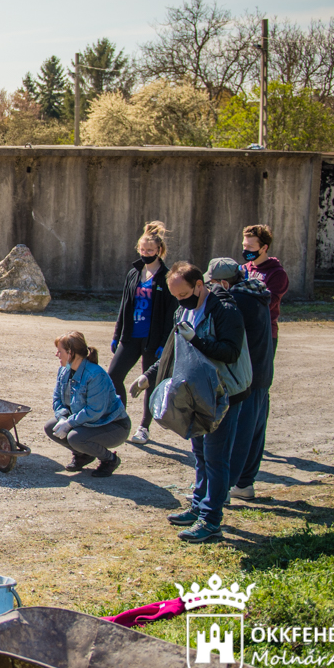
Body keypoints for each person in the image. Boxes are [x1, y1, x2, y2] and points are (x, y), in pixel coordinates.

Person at [130, 261, 247, 543]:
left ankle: (211, 520)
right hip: (198, 393)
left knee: (216, 458)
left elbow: (230, 352)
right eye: (176, 297)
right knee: (201, 455)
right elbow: (173, 349)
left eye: (184, 295)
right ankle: (197, 508)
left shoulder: (225, 310)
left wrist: (197, 340)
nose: (181, 301)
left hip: (224, 394)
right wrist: (148, 377)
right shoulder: (184, 310)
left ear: (199, 285)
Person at [207, 257, 273, 503]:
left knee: (239, 434)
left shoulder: (236, 301)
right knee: (254, 431)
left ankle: (224, 489)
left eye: (212, 283)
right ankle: (245, 483)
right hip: (262, 372)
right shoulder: (255, 293)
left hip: (246, 376)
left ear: (224, 283)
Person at [109, 221, 175, 446]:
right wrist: (117, 334)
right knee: (114, 374)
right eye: (143, 250)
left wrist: (165, 342)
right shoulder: (134, 273)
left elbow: (170, 313)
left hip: (153, 340)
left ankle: (144, 427)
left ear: (159, 251)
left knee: (149, 382)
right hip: (131, 336)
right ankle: (121, 419)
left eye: (150, 251)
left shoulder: (166, 277)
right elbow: (124, 305)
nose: (146, 254)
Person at [235, 224, 288, 499]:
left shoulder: (276, 275)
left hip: (264, 341)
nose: (246, 250)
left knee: (255, 401)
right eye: (244, 245)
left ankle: (245, 479)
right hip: (242, 340)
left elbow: (261, 302)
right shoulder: (243, 269)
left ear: (264, 247)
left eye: (251, 246)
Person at [45, 331, 130, 477]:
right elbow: (57, 398)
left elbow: (95, 411)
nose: (57, 355)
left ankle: (110, 460)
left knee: (75, 437)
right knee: (50, 427)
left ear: (71, 353)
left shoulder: (95, 374)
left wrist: (70, 423)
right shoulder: (64, 370)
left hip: (113, 426)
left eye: (60, 351)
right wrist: (63, 418)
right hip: (87, 423)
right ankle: (83, 455)